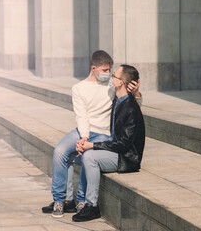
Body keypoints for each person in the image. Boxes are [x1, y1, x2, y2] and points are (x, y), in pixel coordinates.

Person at [42, 51, 142, 218]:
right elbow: (81, 115)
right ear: (94, 68)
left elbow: (131, 107)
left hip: (104, 133)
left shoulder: (112, 86)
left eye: (110, 70)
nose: (108, 74)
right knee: (60, 151)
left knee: (88, 154)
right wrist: (84, 137)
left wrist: (136, 93)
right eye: (105, 70)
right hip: (84, 130)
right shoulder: (79, 88)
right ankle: (62, 201)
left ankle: (82, 200)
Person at [72, 64, 145, 222]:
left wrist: (92, 145)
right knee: (80, 155)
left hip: (126, 157)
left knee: (90, 157)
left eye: (115, 76)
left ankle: (92, 206)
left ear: (120, 83)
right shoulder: (118, 100)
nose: (111, 78)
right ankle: (74, 200)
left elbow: (123, 144)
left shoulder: (131, 108)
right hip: (116, 150)